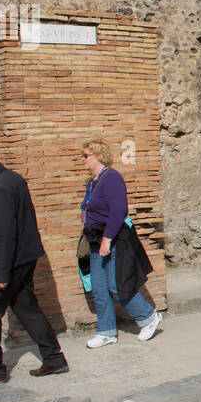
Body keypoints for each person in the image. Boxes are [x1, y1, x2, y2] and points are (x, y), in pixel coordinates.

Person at [0, 146, 67, 387]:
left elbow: (6, 233)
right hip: (21, 259)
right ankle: (54, 358)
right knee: (27, 308)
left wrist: (2, 274)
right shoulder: (8, 179)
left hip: (3, 263)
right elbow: (5, 218)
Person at [79, 139, 161, 349]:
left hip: (113, 240)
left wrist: (107, 238)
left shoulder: (112, 177)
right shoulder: (92, 181)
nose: (82, 159)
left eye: (86, 155)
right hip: (95, 241)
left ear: (98, 155)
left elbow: (118, 210)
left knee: (117, 285)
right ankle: (106, 332)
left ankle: (149, 317)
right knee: (98, 287)